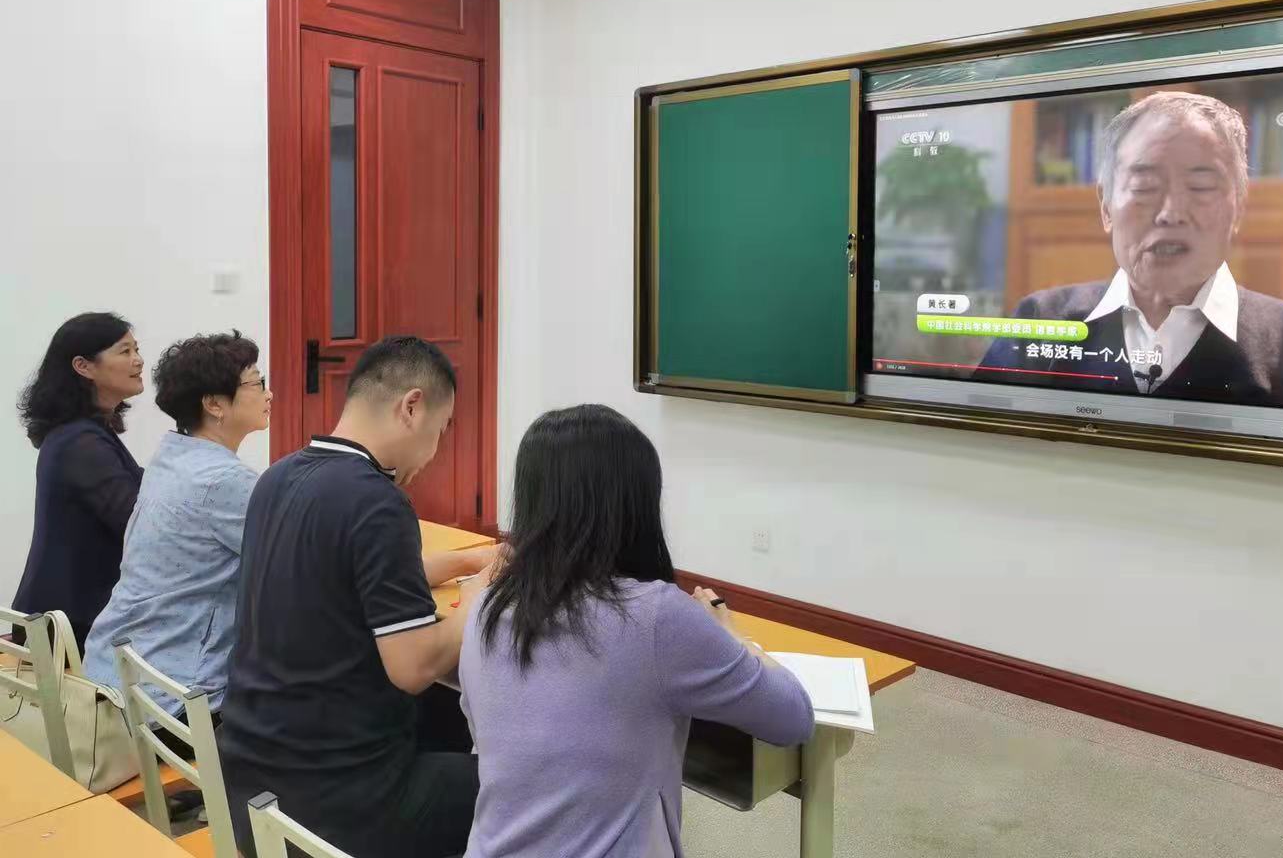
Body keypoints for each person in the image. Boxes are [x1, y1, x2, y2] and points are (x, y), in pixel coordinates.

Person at [458, 404, 814, 858]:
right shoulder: (656, 617)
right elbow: (793, 717)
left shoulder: (486, 607)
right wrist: (731, 634)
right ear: (634, 505)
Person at [219, 335, 502, 858]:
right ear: (412, 407)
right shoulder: (376, 499)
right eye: (441, 430)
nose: (436, 451)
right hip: (338, 805)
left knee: (442, 720)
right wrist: (481, 593)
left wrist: (468, 561)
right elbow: (413, 667)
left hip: (249, 787)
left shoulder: (279, 476)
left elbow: (346, 571)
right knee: (533, 783)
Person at [980, 92, 1283, 408]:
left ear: (1239, 207)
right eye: (1144, 187)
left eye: (1200, 188)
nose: (1171, 213)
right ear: (1106, 206)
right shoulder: (1038, 324)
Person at [84, 332, 271, 725]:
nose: (268, 394)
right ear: (215, 404)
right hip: (172, 700)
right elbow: (303, 568)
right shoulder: (223, 480)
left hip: (113, 671)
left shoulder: (172, 457)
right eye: (257, 383)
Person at [13, 313, 145, 649]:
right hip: (65, 628)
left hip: (70, 619)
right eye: (125, 351)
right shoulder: (79, 442)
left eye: (137, 349)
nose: (138, 360)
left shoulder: (88, 432)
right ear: (83, 366)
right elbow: (136, 521)